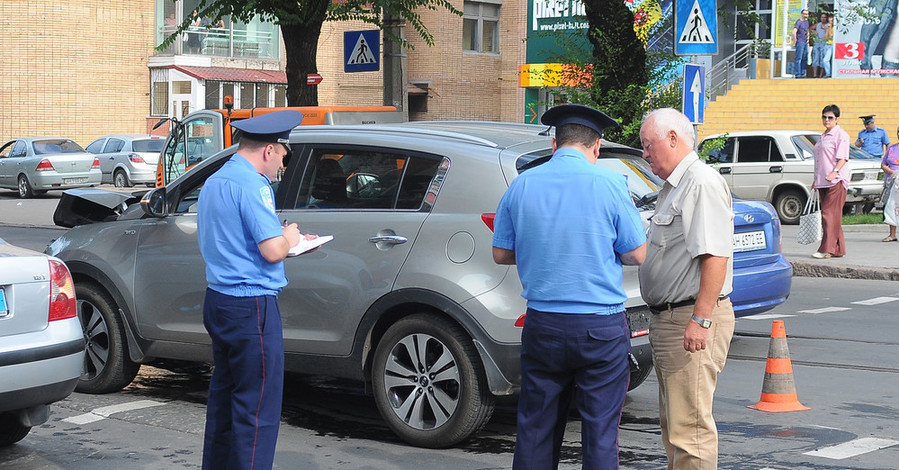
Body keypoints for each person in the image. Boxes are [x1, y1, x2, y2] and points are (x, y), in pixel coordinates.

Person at [492, 104, 647, 469]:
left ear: (554, 145)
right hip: (599, 329)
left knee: (535, 429)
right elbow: (637, 254)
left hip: (543, 324)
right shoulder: (610, 184)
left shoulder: (523, 184)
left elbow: (501, 253)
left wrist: (543, 251)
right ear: (597, 147)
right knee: (600, 434)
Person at [197, 110, 310, 470]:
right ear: (268, 150)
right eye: (283, 156)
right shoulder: (253, 184)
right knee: (256, 411)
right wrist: (290, 236)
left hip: (219, 300)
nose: (282, 165)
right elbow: (272, 249)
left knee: (224, 404)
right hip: (252, 308)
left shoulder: (216, 181)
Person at [638, 108, 735, 470]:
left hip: (688, 319)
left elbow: (715, 256)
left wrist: (701, 319)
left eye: (649, 145)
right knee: (677, 426)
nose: (645, 153)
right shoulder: (675, 187)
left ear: (674, 139)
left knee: (689, 432)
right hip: (674, 319)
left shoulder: (700, 183)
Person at [813, 104, 850, 259]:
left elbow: (842, 158)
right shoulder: (823, 136)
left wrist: (834, 172)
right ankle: (838, 249)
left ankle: (826, 249)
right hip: (822, 181)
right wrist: (815, 180)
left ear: (837, 119)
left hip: (836, 180)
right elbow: (820, 160)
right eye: (824, 117)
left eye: (830, 117)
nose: (827, 120)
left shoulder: (841, 135)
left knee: (828, 214)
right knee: (833, 216)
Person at [881, 127, 899, 242]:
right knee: (891, 207)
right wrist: (890, 171)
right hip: (892, 182)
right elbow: (883, 164)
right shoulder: (892, 148)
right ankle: (892, 234)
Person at [811, 12, 832, 78]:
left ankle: (821, 75)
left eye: (825, 17)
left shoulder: (828, 25)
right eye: (822, 17)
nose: (823, 19)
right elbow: (810, 28)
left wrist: (825, 28)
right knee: (815, 58)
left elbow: (830, 34)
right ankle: (815, 74)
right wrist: (815, 32)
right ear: (820, 18)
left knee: (822, 59)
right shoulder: (818, 24)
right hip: (817, 43)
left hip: (824, 43)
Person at [792, 9, 810, 78]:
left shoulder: (807, 22)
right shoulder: (799, 22)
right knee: (798, 58)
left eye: (807, 14)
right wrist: (795, 40)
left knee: (804, 58)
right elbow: (794, 31)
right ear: (802, 14)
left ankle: (803, 74)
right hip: (800, 42)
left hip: (805, 42)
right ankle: (798, 74)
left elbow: (807, 31)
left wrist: (808, 40)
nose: (806, 15)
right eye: (804, 14)